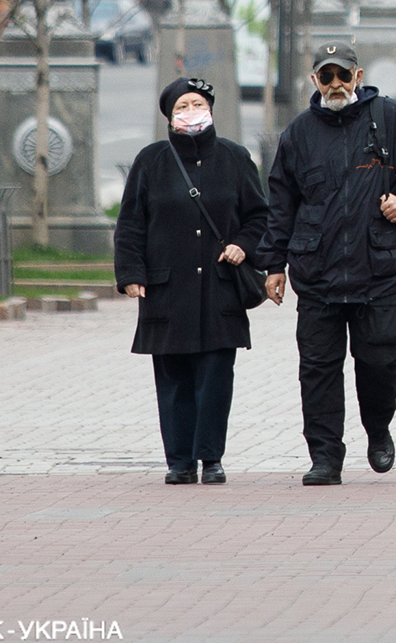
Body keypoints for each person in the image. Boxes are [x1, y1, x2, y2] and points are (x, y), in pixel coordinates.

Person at [258, 42, 396, 486]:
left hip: (376, 269)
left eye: (344, 75)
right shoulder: (299, 134)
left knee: (379, 364)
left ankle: (378, 431)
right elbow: (281, 203)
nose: (336, 84)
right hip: (316, 272)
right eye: (327, 77)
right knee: (317, 370)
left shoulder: (389, 117)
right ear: (314, 82)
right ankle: (325, 457)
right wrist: (274, 264)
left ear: (358, 77)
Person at [114, 77, 270, 485]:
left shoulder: (236, 158)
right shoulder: (151, 161)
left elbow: (259, 215)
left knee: (216, 377)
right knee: (174, 380)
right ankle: (179, 460)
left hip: (220, 286)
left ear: (212, 110)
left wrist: (242, 245)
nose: (190, 112)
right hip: (166, 289)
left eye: (197, 103)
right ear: (169, 116)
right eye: (181, 106)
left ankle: (211, 457)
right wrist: (131, 274)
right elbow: (130, 223)